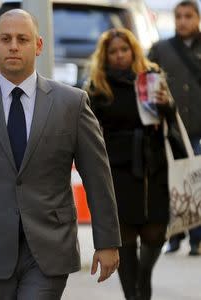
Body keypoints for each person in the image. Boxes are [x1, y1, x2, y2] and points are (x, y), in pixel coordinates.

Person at [0, 9, 121, 300]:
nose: (14, 46)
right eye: (6, 39)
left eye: (22, 39)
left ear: (38, 45)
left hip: (50, 246)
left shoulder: (72, 103)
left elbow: (97, 175)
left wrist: (106, 241)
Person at [85, 28, 173, 300]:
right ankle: (134, 295)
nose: (120, 56)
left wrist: (166, 104)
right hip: (118, 171)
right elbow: (90, 129)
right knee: (123, 240)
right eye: (113, 52)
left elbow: (170, 118)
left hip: (153, 168)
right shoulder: (99, 88)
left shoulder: (150, 78)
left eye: (125, 50)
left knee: (155, 234)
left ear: (134, 51)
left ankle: (143, 279)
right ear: (105, 56)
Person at [148, 0, 201, 257]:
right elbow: (146, 83)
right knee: (175, 183)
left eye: (188, 16)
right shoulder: (160, 49)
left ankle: (196, 240)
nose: (182, 21)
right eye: (178, 16)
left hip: (199, 128)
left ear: (197, 18)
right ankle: (176, 235)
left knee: (197, 183)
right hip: (172, 128)